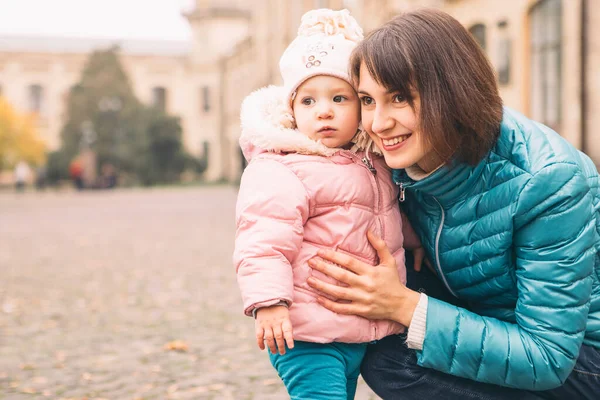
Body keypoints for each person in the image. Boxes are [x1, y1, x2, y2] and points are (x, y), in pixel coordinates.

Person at [305, 8, 600, 399]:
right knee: (372, 329)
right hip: (487, 313)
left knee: (391, 356)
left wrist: (406, 306)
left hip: (578, 355)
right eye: (367, 101)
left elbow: (546, 357)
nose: (378, 123)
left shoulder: (546, 180)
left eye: (399, 98)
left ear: (451, 90)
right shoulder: (397, 161)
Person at [233, 9, 421, 399]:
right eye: (308, 101)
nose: (324, 111)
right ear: (292, 110)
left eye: (339, 98)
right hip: (307, 333)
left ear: (361, 105)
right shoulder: (282, 166)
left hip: (352, 328)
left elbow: (384, 214)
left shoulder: (373, 161)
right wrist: (269, 302)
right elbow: (263, 240)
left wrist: (415, 242)